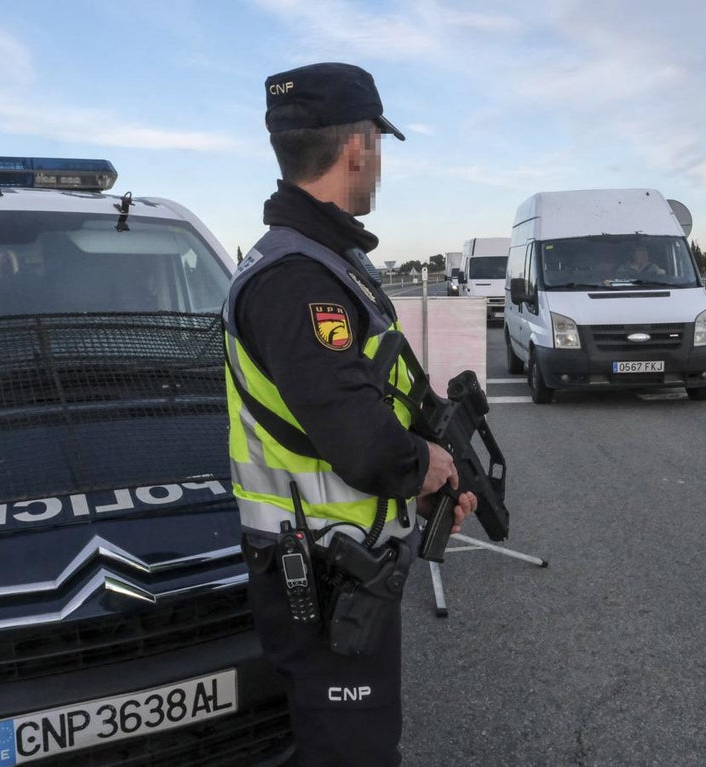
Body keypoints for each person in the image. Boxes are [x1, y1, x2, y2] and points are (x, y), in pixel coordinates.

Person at [221, 62, 478, 766]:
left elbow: (369, 400)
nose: (379, 163)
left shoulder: (324, 263)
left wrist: (431, 472)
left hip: (340, 566)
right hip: (323, 578)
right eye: (378, 145)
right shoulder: (299, 280)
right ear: (357, 145)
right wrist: (425, 464)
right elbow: (364, 444)